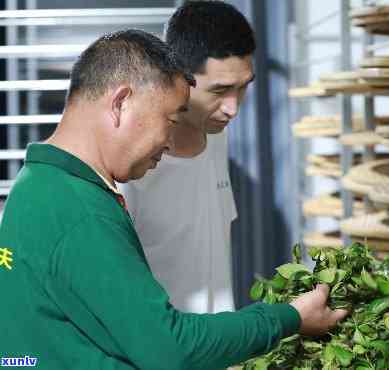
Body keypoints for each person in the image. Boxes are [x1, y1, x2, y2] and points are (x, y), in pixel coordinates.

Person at [0, 29, 347, 370]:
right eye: (169, 120)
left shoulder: (39, 185)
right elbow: (170, 348)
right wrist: (289, 317)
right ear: (120, 103)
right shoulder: (79, 210)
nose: (168, 143)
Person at [120, 1, 255, 313]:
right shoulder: (128, 167)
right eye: (220, 91)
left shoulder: (217, 133)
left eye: (243, 88)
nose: (233, 108)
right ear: (178, 78)